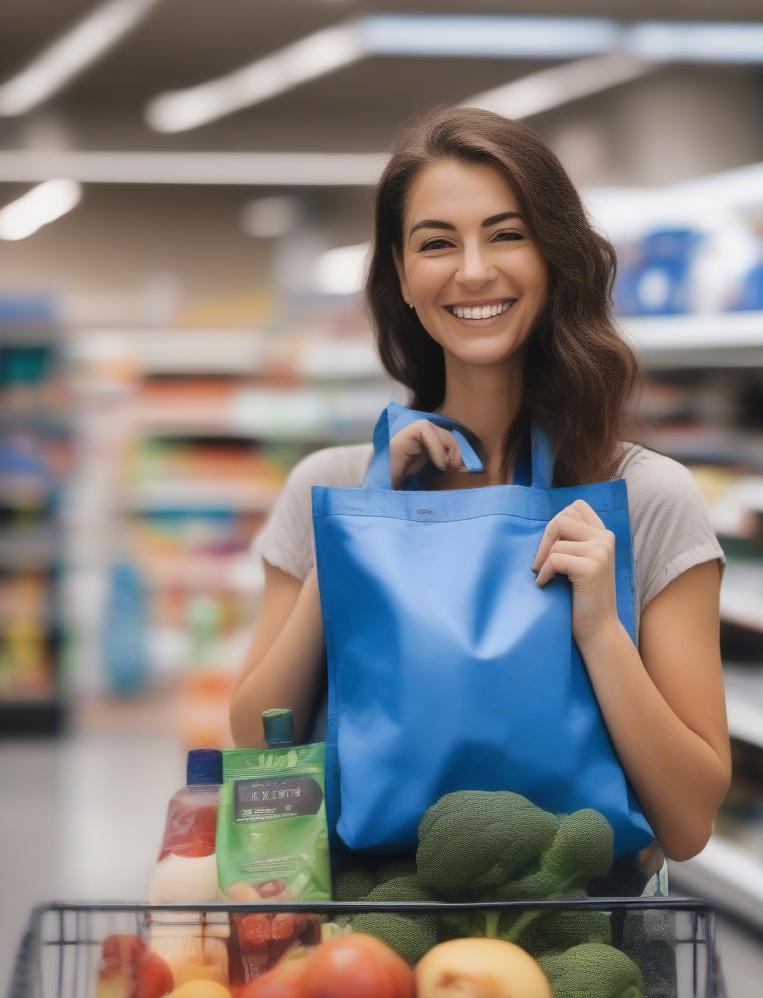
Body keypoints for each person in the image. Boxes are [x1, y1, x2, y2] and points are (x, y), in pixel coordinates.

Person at [231, 106, 730, 893]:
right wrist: (360, 537)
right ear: (401, 274)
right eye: (436, 243)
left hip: (584, 940)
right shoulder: (328, 486)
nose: (471, 270)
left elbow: (688, 823)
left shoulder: (647, 497)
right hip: (374, 928)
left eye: (507, 234)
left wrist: (600, 628)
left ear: (555, 255)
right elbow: (262, 754)